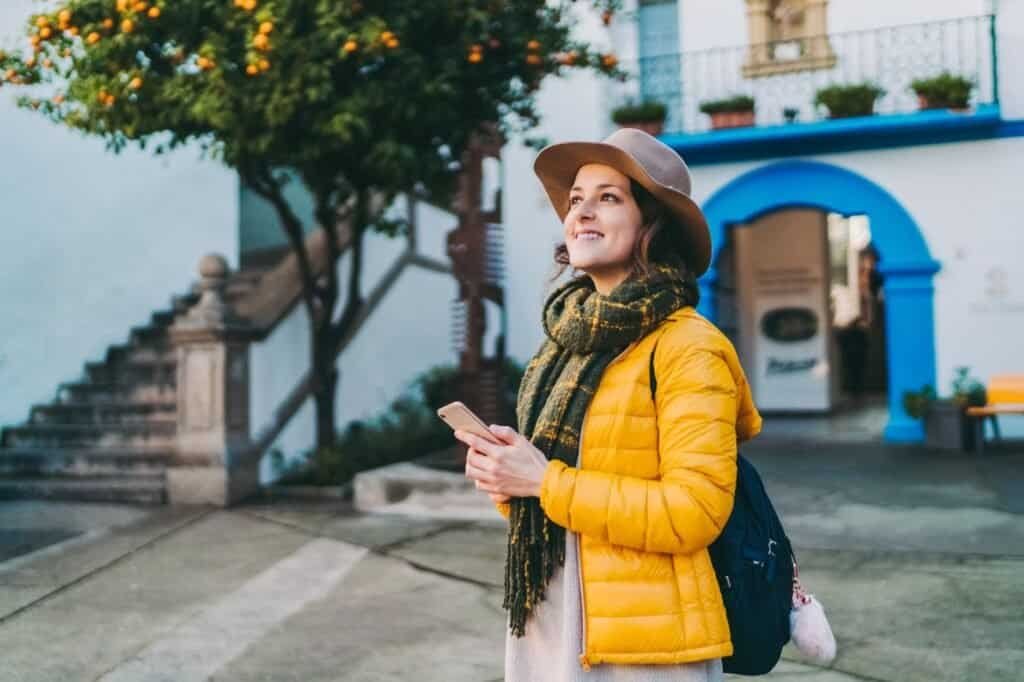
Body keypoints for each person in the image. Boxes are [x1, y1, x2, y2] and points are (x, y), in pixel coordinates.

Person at [454, 128, 762, 680]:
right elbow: (551, 499)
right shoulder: (562, 345)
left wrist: (543, 480)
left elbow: (694, 514)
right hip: (549, 611)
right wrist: (508, 477)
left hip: (645, 638)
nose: (582, 213)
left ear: (652, 224)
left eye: (609, 197)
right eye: (575, 200)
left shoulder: (689, 348)